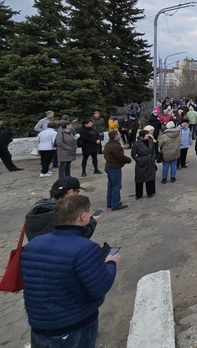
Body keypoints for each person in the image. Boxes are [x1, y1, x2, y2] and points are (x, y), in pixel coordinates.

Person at [21, 195, 119, 347]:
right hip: (73, 325)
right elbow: (100, 287)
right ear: (83, 216)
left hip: (39, 325)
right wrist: (111, 263)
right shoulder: (85, 247)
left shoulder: (33, 244)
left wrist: (92, 261)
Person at [25, 177, 97, 241]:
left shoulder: (36, 208)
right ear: (70, 192)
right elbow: (75, 238)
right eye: (77, 192)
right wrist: (92, 222)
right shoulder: (62, 213)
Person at [103, 129, 131, 211]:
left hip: (109, 166)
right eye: (118, 134)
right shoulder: (115, 146)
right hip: (114, 167)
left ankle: (110, 202)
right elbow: (120, 156)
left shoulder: (108, 144)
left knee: (111, 185)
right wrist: (128, 160)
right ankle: (115, 204)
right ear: (115, 136)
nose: (120, 135)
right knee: (116, 186)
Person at [131, 129, 157, 199]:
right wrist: (139, 160)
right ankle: (139, 194)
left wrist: (153, 157)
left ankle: (150, 192)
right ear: (142, 136)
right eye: (146, 134)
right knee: (139, 179)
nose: (148, 135)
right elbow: (133, 154)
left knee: (150, 177)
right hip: (141, 162)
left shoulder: (150, 141)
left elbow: (154, 150)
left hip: (150, 161)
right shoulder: (136, 144)